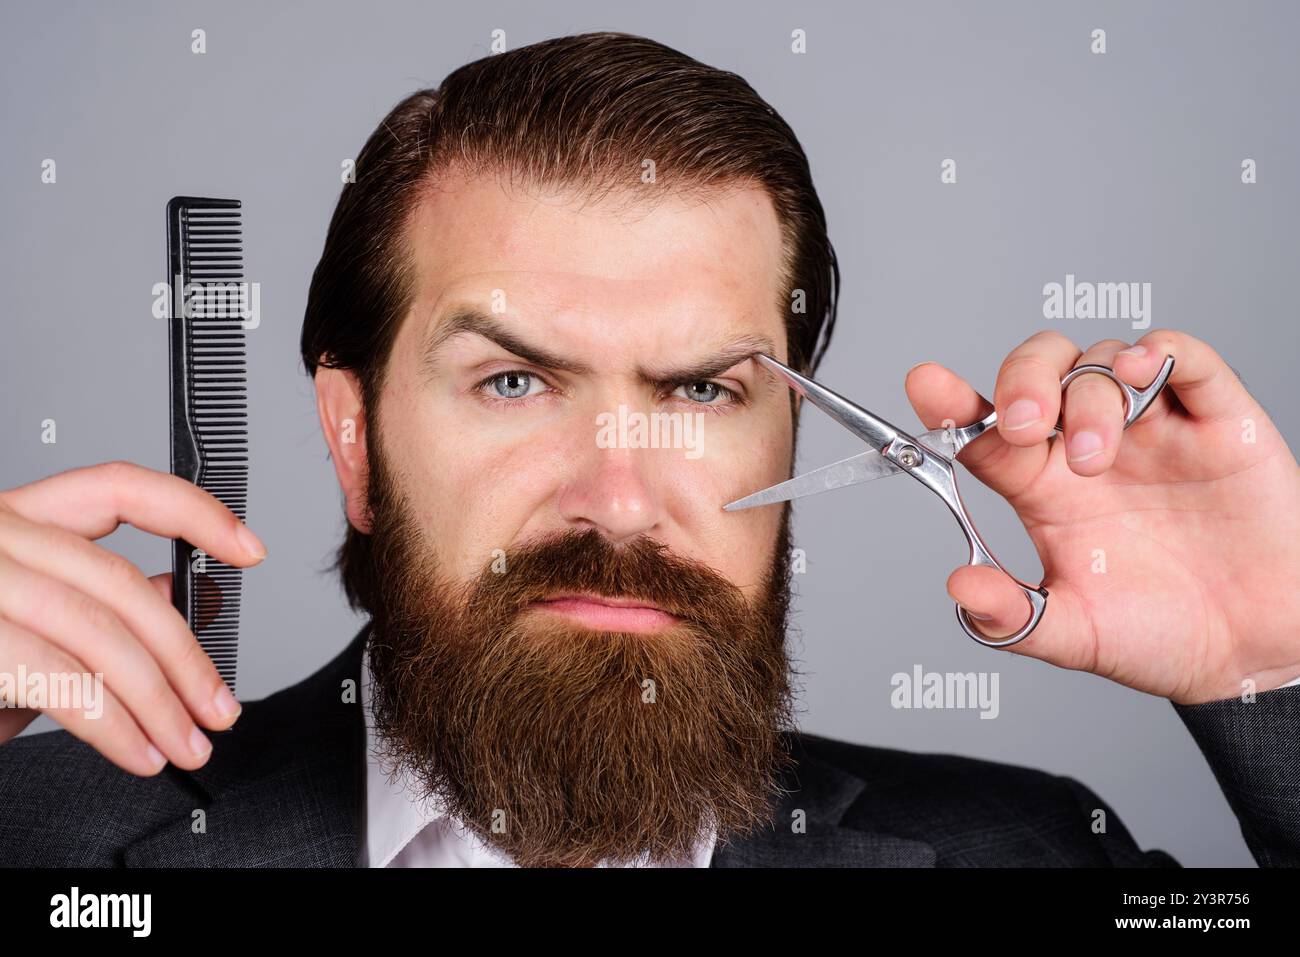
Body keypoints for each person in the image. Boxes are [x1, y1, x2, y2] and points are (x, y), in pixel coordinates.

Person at [0, 32, 1297, 868]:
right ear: (355, 439)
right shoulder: (43, 838)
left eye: (699, 391)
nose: (617, 496)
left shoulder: (1027, 851)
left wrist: (1269, 666)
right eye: (512, 380)